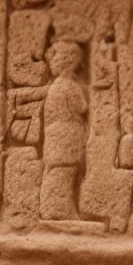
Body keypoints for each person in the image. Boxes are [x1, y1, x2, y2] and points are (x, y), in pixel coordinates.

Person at [38, 41, 90, 220]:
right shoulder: (68, 85)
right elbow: (82, 107)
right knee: (65, 172)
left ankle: (52, 208)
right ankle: (59, 210)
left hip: (54, 135)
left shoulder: (55, 86)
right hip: (67, 134)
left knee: (55, 171)